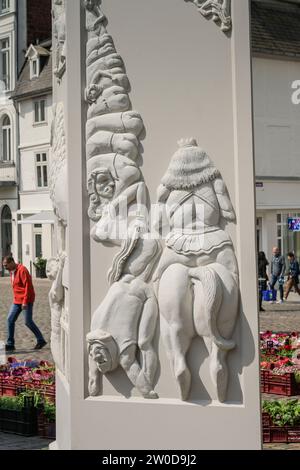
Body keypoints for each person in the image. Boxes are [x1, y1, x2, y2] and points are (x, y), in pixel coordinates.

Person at [3, 256, 47, 352]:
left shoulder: (22, 270)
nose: (4, 268)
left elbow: (28, 286)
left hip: (26, 300)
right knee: (10, 320)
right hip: (17, 301)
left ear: (11, 262)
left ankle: (41, 340)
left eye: (6, 265)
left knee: (28, 322)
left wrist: (25, 301)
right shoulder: (11, 271)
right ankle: (10, 344)